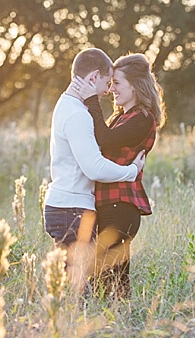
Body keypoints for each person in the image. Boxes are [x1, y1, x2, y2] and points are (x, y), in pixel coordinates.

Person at [70, 53, 166, 299]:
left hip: (121, 207)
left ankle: (115, 328)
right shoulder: (122, 117)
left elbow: (105, 139)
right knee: (114, 281)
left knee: (107, 278)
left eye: (117, 83)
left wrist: (91, 98)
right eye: (110, 83)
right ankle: (120, 329)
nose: (111, 88)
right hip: (109, 205)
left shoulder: (142, 119)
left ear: (135, 86)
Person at [43, 48, 147, 254]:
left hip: (67, 207)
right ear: (93, 77)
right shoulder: (77, 114)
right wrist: (132, 171)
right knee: (77, 284)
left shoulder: (66, 105)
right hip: (71, 210)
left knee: (76, 282)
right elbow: (95, 168)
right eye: (107, 82)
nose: (107, 91)